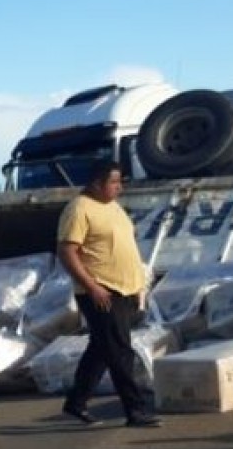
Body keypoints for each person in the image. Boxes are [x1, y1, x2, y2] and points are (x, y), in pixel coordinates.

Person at [56, 163, 161, 428]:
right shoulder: (79, 209)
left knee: (102, 349)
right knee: (120, 351)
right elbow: (67, 252)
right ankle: (136, 411)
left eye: (120, 182)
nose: (119, 188)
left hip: (125, 289)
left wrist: (137, 286)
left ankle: (76, 402)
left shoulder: (113, 207)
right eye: (114, 183)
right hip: (101, 291)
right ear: (96, 183)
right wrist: (92, 287)